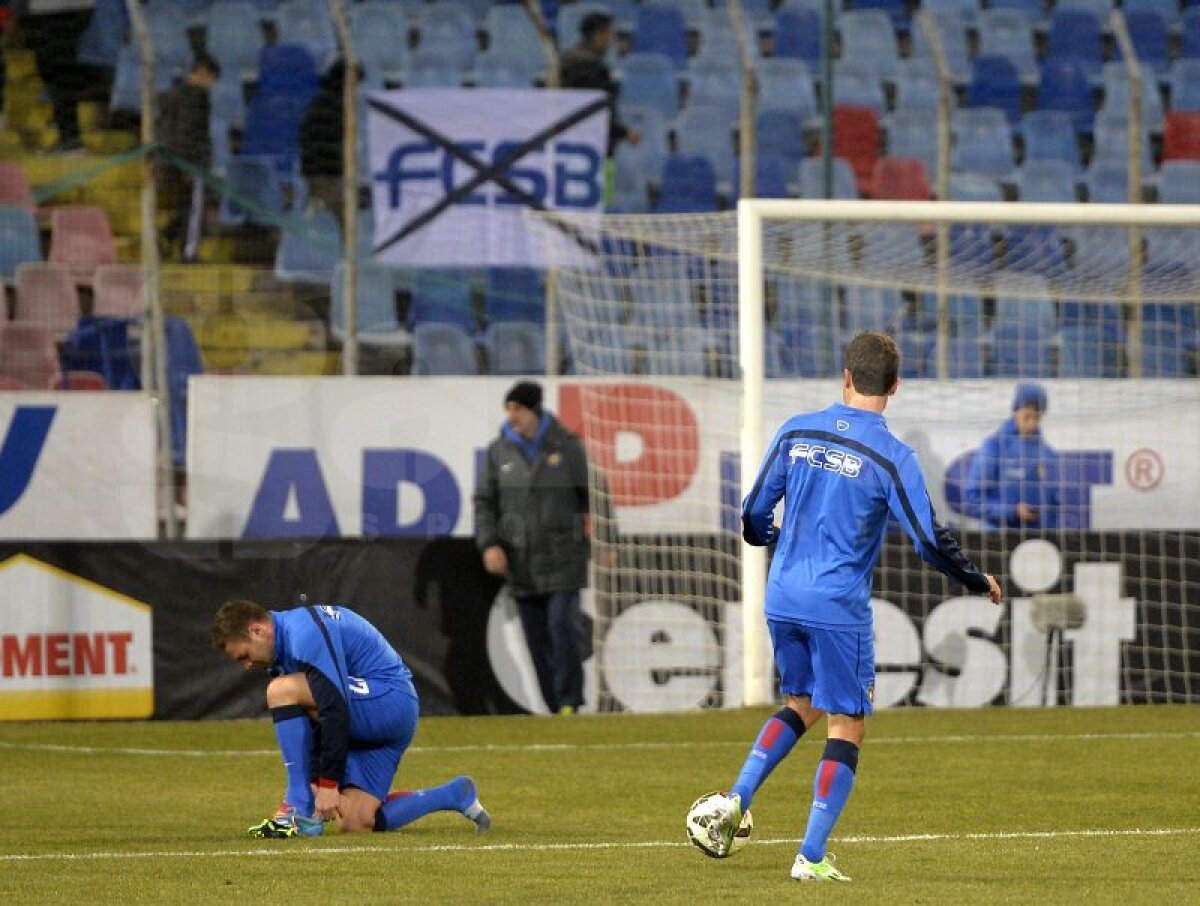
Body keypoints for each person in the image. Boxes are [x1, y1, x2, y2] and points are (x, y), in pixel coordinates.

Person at [710, 332, 1002, 881]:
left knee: (800, 701)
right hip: (837, 605)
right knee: (847, 722)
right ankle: (812, 857)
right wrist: (972, 577)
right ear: (895, 386)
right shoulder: (891, 456)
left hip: (783, 594)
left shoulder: (796, 430)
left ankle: (735, 800)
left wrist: (767, 536)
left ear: (845, 376)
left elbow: (752, 513)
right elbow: (928, 540)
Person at [212, 598, 492, 839]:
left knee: (280, 690)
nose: (247, 665)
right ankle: (454, 793)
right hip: (373, 714)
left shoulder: (303, 633)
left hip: (389, 702)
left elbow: (334, 707)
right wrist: (319, 781)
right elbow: (317, 719)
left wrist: (327, 784)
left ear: (256, 630)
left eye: (244, 656)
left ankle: (296, 806)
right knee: (354, 821)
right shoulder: (284, 649)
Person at [473, 380, 593, 716]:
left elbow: (594, 495)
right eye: (508, 410)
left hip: (564, 556)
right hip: (521, 560)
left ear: (533, 410)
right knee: (536, 640)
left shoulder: (567, 447)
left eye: (517, 409)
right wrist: (489, 545)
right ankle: (555, 706)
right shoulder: (498, 452)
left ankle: (570, 701)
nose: (512, 416)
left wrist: (602, 533)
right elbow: (484, 505)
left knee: (562, 627)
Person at [962, 382, 1061, 530]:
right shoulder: (994, 446)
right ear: (1016, 412)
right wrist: (1012, 511)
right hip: (997, 542)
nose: (1032, 424)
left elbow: (1054, 505)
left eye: (1037, 418)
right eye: (1027, 416)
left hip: (1036, 544)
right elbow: (972, 500)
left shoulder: (1048, 454)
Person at [156, 53, 219, 262]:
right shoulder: (196, 97)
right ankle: (188, 252)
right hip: (188, 162)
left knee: (188, 205)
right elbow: (189, 133)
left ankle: (167, 235)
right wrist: (190, 166)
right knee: (196, 208)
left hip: (170, 160)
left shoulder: (173, 94)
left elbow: (163, 129)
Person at [559, 11, 640, 156]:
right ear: (599, 35)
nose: (611, 40)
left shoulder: (565, 61)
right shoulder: (590, 68)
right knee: (607, 178)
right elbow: (595, 112)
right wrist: (624, 133)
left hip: (570, 146)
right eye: (610, 34)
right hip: (593, 149)